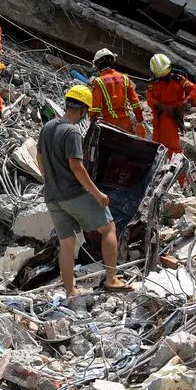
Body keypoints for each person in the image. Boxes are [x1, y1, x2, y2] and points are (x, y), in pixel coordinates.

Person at [36, 85, 129, 296]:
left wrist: (51, 181)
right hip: (74, 195)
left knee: (66, 243)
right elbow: (77, 167)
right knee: (108, 229)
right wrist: (98, 194)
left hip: (52, 196)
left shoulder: (48, 126)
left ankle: (71, 290)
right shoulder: (72, 132)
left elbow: (39, 158)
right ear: (84, 110)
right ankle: (112, 279)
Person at [145, 53, 196, 157]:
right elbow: (149, 99)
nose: (163, 77)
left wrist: (186, 102)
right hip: (158, 119)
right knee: (156, 146)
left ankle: (178, 171)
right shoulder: (152, 83)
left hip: (170, 118)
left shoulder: (178, 80)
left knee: (172, 149)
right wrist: (163, 107)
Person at [89, 48, 148, 137]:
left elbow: (95, 108)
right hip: (126, 124)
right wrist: (140, 121)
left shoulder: (98, 81)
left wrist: (92, 124)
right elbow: (135, 103)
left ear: (97, 65)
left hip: (109, 125)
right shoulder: (125, 78)